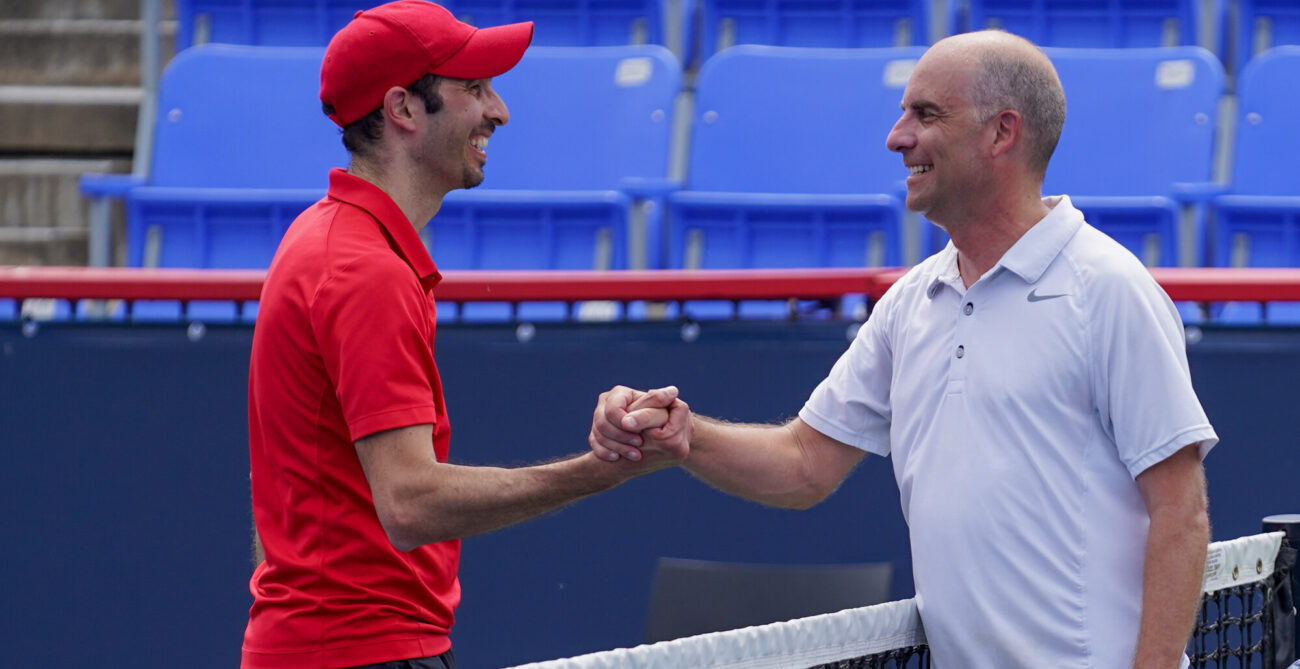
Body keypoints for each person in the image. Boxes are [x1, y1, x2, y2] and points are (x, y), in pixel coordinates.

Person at [591, 30, 1216, 669]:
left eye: (926, 114)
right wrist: (685, 434)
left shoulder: (1110, 289)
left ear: (1002, 133)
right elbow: (805, 464)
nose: (896, 137)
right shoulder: (911, 302)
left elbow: (1181, 513)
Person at [242, 3, 685, 667]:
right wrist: (598, 470)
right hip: (360, 653)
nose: (499, 111)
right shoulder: (364, 270)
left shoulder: (325, 243)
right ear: (403, 109)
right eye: (474, 89)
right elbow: (410, 503)